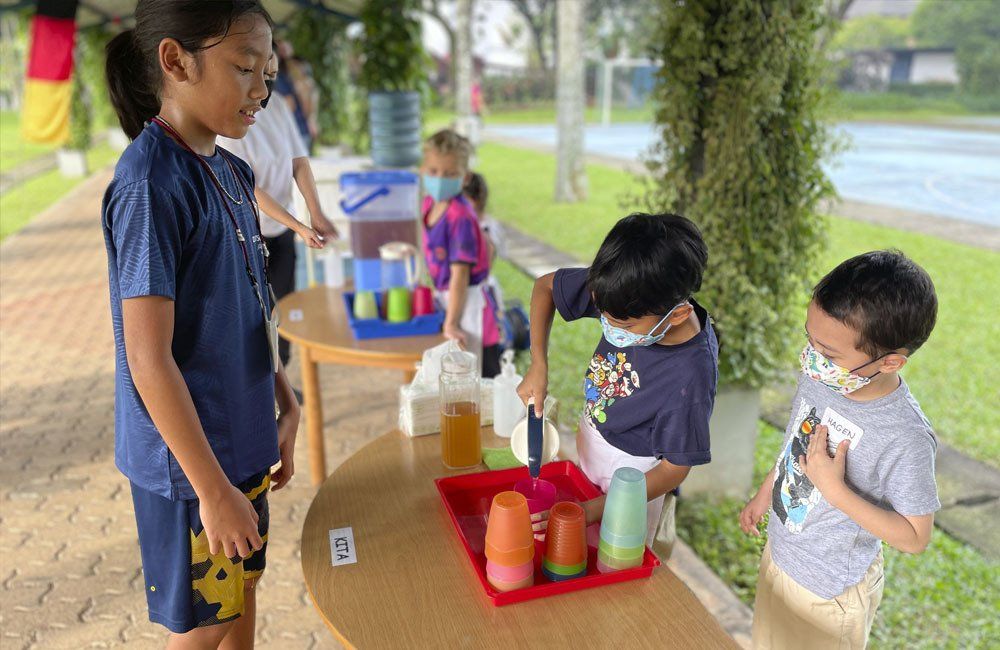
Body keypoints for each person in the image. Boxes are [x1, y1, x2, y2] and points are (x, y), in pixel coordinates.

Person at [102, 2, 298, 646]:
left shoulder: (231, 170)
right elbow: (148, 358)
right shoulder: (151, 185)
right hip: (191, 467)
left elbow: (249, 303)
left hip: (241, 443)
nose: (262, 89)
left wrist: (282, 396)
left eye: (267, 71)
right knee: (201, 631)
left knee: (240, 598)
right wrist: (211, 491)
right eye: (244, 68)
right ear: (175, 61)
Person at [741, 250, 940, 650]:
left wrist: (834, 491)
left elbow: (915, 537)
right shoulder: (822, 378)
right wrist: (767, 493)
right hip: (779, 557)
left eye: (828, 354)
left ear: (889, 363)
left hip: (830, 593)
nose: (813, 359)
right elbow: (796, 441)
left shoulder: (906, 437)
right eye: (810, 340)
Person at [517, 213, 718, 556]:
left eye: (622, 324)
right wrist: (539, 363)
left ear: (678, 315)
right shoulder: (623, 289)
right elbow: (546, 287)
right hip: (593, 445)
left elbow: (674, 468)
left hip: (634, 480)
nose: (609, 327)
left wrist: (597, 509)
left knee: (610, 561)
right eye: (603, 315)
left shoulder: (689, 375)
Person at [218, 46, 339, 369]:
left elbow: (298, 161)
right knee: (253, 318)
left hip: (282, 231)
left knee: (284, 310)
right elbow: (248, 187)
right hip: (247, 236)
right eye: (256, 73)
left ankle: (281, 384)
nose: (265, 84)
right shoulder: (228, 118)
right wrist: (300, 225)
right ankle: (260, 391)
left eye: (271, 75)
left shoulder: (280, 110)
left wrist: (316, 213)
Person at [420, 129, 501, 378]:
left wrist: (453, 322)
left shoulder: (460, 217)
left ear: (465, 178)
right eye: (433, 171)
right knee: (454, 379)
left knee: (479, 383)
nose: (440, 179)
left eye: (450, 173)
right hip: (448, 300)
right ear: (423, 169)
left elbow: (460, 276)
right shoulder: (429, 204)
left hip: (468, 308)